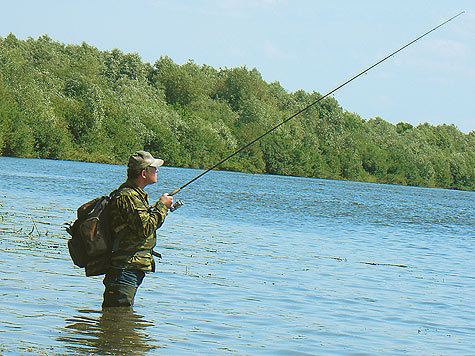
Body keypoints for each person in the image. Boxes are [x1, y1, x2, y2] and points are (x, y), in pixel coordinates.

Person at [102, 150, 173, 308]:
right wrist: (161, 206)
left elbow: (140, 225)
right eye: (153, 168)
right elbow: (145, 228)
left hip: (129, 269)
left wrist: (159, 208)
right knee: (119, 320)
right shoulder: (128, 196)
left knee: (120, 320)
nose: (157, 171)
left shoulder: (134, 195)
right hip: (124, 269)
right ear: (143, 173)